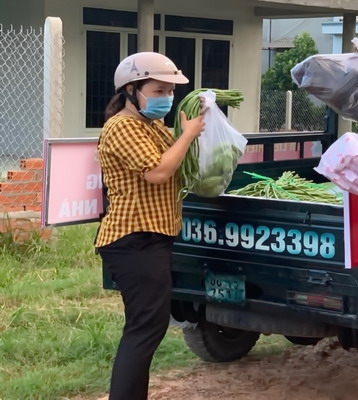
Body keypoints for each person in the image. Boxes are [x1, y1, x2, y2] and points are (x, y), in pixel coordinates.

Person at [94, 51, 205, 400]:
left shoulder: (151, 125)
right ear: (131, 89)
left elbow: (176, 163)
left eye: (170, 92)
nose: (167, 99)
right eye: (158, 91)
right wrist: (187, 135)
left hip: (152, 239)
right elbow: (158, 172)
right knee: (145, 328)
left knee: (148, 327)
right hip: (133, 240)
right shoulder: (121, 127)